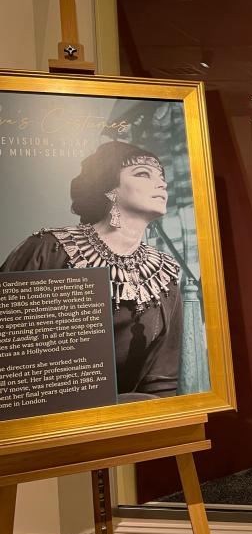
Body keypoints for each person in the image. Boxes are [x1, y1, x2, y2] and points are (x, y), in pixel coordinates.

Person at [1, 140, 182, 402]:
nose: (162, 184)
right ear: (110, 189)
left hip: (127, 422)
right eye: (143, 173)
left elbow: (164, 379)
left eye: (162, 177)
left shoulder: (165, 273)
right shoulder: (50, 248)